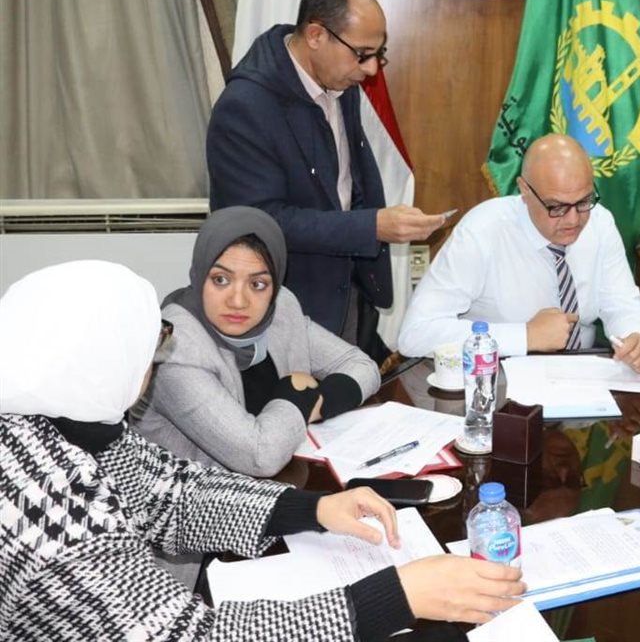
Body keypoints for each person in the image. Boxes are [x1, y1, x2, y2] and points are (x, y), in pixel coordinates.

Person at [0, 261, 524, 639]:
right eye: (149, 345)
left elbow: (171, 496)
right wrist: (393, 598)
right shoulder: (48, 515)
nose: (153, 362)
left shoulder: (64, 422)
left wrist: (313, 509)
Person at [207, 0, 446, 345]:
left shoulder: (339, 80)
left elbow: (350, 179)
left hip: (348, 292)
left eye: (378, 54)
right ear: (316, 36)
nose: (371, 69)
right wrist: (371, 227)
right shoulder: (245, 107)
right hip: (285, 307)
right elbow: (260, 221)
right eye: (362, 54)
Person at [134, 207, 380, 478]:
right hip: (190, 496)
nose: (238, 301)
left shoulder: (279, 308)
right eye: (221, 280)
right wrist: (294, 393)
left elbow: (361, 365)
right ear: (199, 274)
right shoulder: (174, 348)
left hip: (278, 482)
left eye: (258, 284)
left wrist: (314, 403)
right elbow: (260, 457)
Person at [397, 135, 640, 373]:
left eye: (583, 202)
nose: (573, 219)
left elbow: (621, 303)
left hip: (583, 379)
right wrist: (525, 336)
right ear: (524, 190)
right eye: (556, 206)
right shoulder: (482, 231)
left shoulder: (600, 223)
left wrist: (637, 337)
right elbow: (415, 334)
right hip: (497, 382)